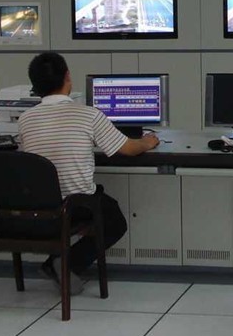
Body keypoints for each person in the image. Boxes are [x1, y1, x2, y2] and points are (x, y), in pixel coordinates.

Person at [17, 52, 160, 286]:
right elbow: (129, 149)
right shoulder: (88, 115)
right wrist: (148, 142)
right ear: (67, 77)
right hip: (75, 205)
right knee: (113, 219)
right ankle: (67, 263)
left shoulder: (25, 119)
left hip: (38, 206)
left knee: (99, 202)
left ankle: (56, 263)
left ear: (35, 86)